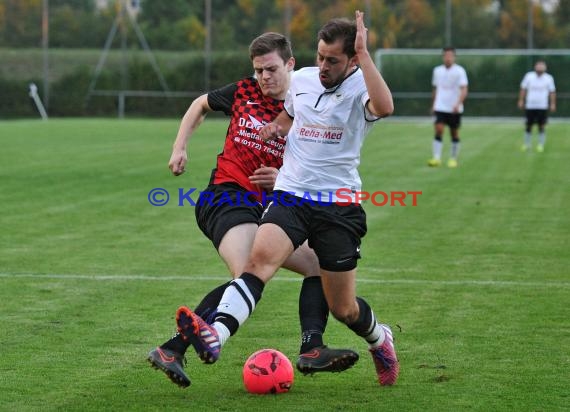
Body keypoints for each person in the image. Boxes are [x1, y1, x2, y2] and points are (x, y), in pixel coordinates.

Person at [175, 11, 400, 386]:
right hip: (290, 197)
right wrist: (273, 129)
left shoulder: (363, 87)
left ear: (352, 61)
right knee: (257, 265)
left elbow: (386, 107)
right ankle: (218, 333)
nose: (323, 66)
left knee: (343, 308)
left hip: (337, 206)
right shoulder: (304, 81)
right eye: (320, 56)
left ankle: (380, 338)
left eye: (333, 60)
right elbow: (289, 115)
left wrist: (365, 56)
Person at [147, 32, 358, 389]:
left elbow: (316, 158)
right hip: (225, 197)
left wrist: (282, 177)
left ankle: (312, 346)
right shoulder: (243, 92)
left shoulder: (305, 105)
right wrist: (179, 147)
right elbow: (199, 104)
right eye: (258, 70)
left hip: (268, 206)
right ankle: (174, 348)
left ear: (291, 65)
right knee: (248, 271)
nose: (263, 77)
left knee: (316, 266)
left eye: (271, 69)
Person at [428, 47, 468, 168]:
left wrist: (458, 103)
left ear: (454, 57)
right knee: (439, 129)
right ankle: (436, 158)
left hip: (454, 108)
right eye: (446, 55)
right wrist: (433, 104)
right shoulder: (437, 71)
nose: (448, 58)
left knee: (454, 133)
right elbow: (435, 89)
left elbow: (464, 89)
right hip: (440, 106)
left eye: (450, 55)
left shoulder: (460, 71)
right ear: (443, 57)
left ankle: (453, 158)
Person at [517, 60, 556, 153]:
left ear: (545, 68)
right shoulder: (529, 76)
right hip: (530, 105)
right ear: (535, 67)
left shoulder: (549, 78)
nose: (540, 67)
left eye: (542, 66)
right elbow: (523, 89)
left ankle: (540, 145)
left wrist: (553, 104)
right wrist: (521, 100)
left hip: (542, 106)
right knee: (528, 125)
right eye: (538, 66)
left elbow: (552, 92)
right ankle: (526, 144)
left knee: (541, 125)